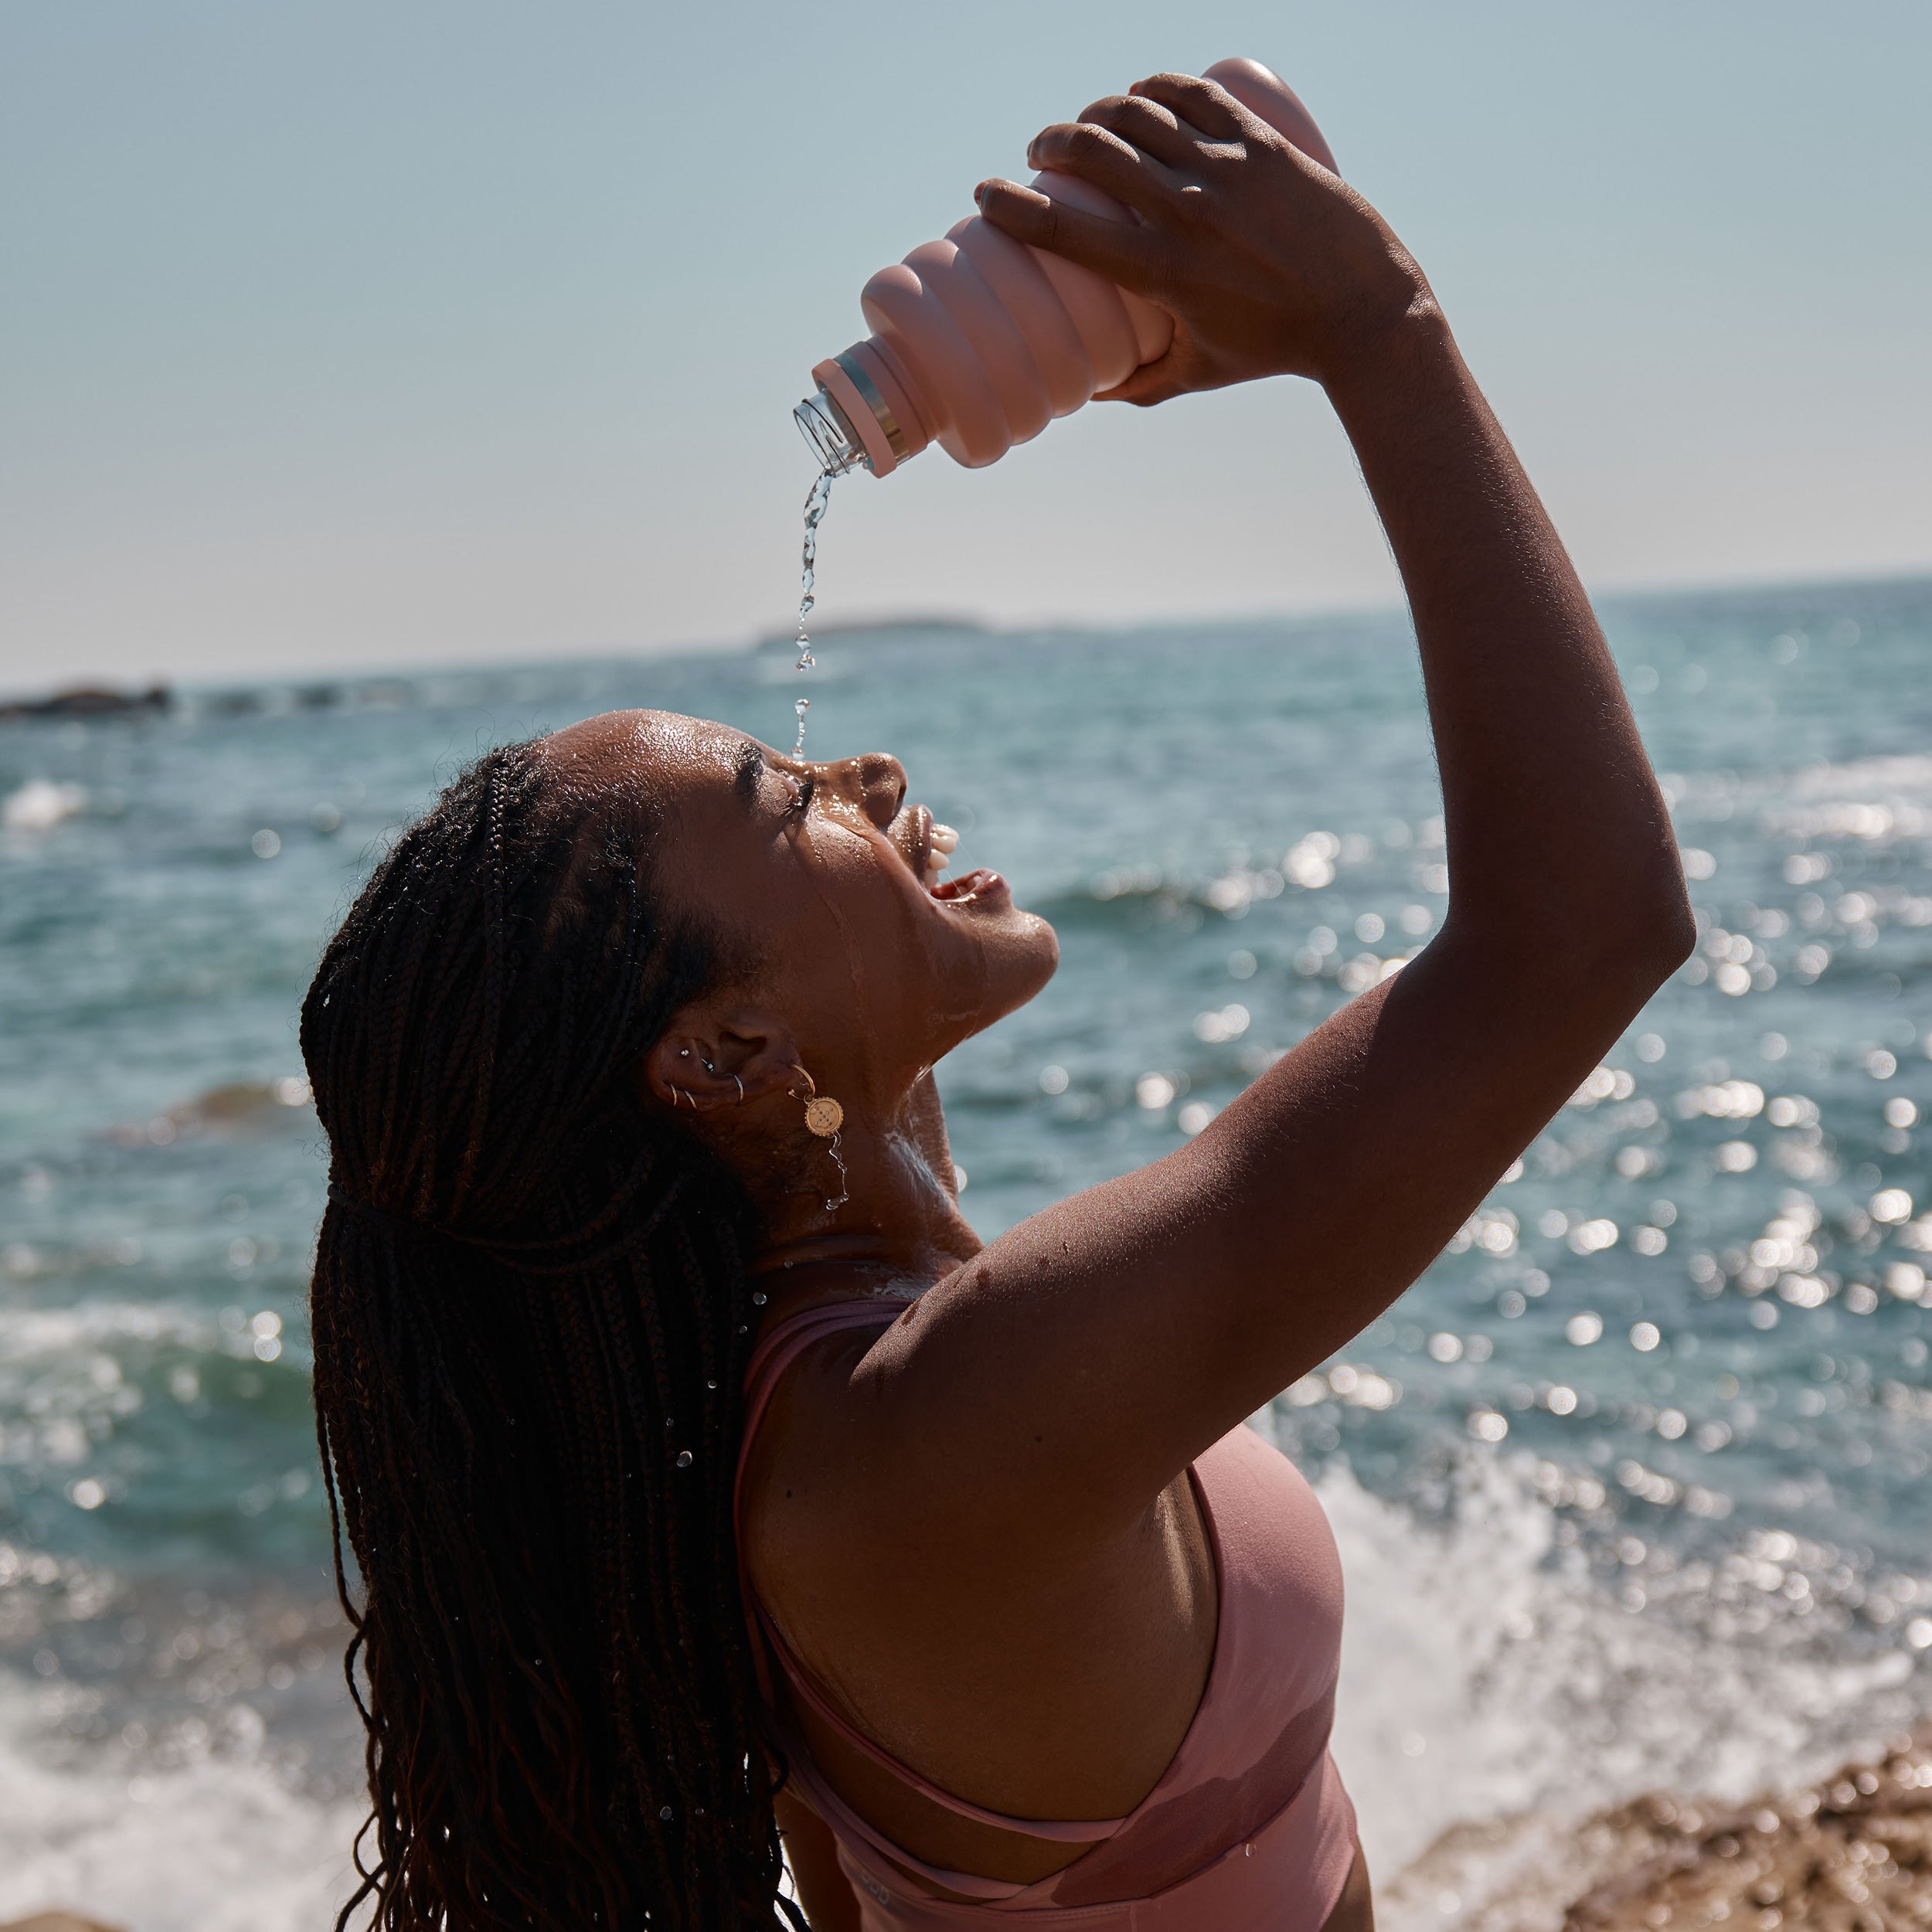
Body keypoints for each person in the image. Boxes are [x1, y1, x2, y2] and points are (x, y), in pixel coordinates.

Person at [301, 70, 1693, 1932]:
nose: (865, 767)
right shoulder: (940, 1431)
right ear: (725, 1053)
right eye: (783, 796)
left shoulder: (761, 1397)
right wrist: (1377, 327)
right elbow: (1578, 931)